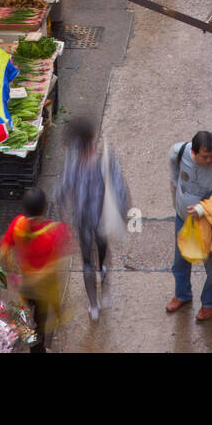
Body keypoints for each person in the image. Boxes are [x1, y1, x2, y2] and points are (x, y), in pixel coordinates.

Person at [55, 117, 130, 321]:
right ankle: (97, 292)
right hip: (93, 220)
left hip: (90, 220)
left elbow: (62, 192)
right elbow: (120, 190)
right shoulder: (100, 160)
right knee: (94, 256)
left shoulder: (86, 163)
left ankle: (96, 294)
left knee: (94, 254)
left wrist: (63, 214)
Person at [167, 131, 212, 320]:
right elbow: (173, 169)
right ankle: (182, 294)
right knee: (180, 262)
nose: (210, 160)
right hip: (183, 219)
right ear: (194, 151)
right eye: (205, 156)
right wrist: (177, 191)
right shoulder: (179, 151)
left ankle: (210, 302)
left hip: (209, 226)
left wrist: (204, 208)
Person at [0, 187, 70, 352]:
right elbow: (65, 245)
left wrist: (14, 270)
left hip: (26, 285)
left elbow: (3, 250)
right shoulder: (54, 230)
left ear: (24, 209)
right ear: (45, 209)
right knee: (41, 322)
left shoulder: (18, 224)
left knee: (30, 316)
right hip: (44, 288)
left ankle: (33, 339)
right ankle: (38, 349)